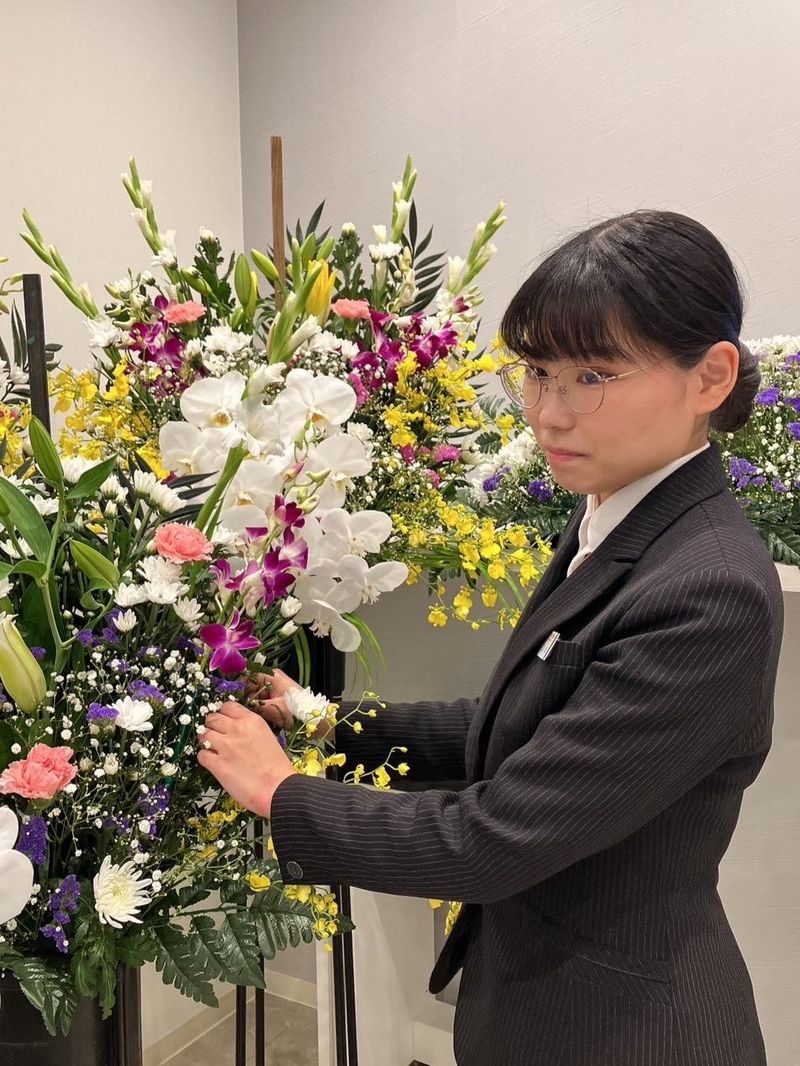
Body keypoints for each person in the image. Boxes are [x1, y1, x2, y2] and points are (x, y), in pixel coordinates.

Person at [197, 209, 784, 1066]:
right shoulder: (618, 516)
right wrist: (320, 718)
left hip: (623, 1028)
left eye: (592, 375)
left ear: (711, 377)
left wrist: (282, 794)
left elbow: (493, 840)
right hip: (542, 995)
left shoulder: (709, 588)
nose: (547, 415)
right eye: (537, 373)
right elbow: (519, 724)